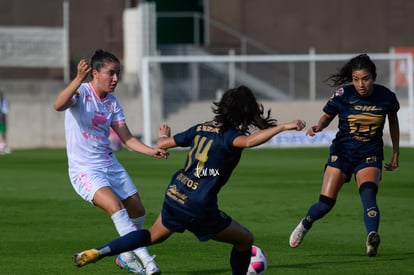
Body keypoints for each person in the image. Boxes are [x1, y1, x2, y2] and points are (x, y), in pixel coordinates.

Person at [71, 85, 306, 274]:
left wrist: (163, 136)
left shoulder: (202, 127)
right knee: (245, 239)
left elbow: (163, 144)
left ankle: (99, 251)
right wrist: (284, 126)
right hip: (199, 205)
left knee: (151, 236)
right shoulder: (232, 136)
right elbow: (249, 141)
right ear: (246, 111)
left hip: (176, 193)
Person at [53, 49, 167, 275]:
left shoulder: (112, 103)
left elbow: (127, 138)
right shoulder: (82, 93)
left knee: (137, 210)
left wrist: (150, 151)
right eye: (111, 73)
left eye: (118, 74)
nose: (116, 79)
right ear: (94, 73)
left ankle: (125, 256)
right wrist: (77, 79)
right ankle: (146, 260)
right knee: (115, 207)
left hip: (110, 165)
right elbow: (59, 104)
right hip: (84, 170)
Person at [288, 54, 400, 257]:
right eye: (356, 79)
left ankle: (372, 236)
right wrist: (319, 126)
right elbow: (327, 116)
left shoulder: (387, 97)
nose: (361, 84)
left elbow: (393, 122)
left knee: (368, 195)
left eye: (365, 78)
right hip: (342, 153)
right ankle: (305, 224)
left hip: (370, 154)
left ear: (373, 77)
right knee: (325, 204)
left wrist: (395, 154)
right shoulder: (343, 94)